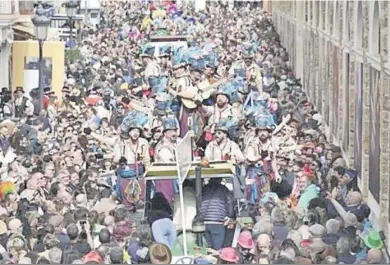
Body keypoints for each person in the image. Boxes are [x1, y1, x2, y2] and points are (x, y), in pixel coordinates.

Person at [200, 178, 234, 250]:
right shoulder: (223, 189)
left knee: (207, 248)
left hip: (204, 221)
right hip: (217, 222)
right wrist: (229, 216)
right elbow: (229, 202)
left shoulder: (204, 188)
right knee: (217, 249)